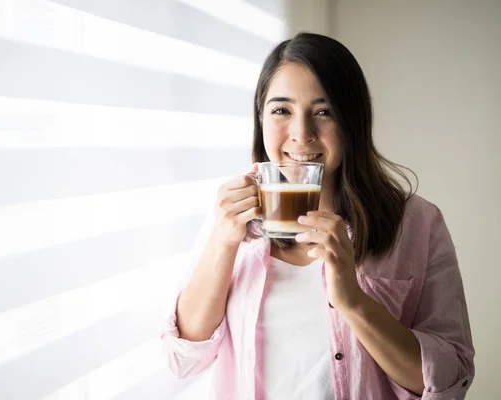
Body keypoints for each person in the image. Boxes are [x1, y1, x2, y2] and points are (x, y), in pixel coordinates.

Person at [160, 32, 475, 400]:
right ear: (260, 119)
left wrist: (353, 301)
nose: (301, 134)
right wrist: (223, 242)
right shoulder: (229, 221)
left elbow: (448, 382)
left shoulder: (418, 225)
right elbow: (183, 359)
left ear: (352, 121)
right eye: (282, 110)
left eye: (323, 112)